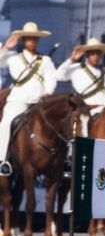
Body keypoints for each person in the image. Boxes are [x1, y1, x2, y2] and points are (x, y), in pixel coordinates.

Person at [0, 22, 60, 176]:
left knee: (59, 124)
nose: (32, 41)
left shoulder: (45, 60)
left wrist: (48, 92)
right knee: (6, 123)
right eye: (28, 38)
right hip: (18, 99)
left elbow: (51, 78)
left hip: (38, 102)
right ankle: (2, 161)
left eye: (34, 38)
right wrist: (6, 47)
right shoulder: (12, 57)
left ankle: (62, 161)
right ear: (23, 40)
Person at [56, 38, 105, 116]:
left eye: (98, 54)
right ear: (87, 55)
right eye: (93, 54)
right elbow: (58, 76)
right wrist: (71, 60)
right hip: (80, 111)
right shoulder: (76, 68)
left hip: (99, 112)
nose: (96, 56)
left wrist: (104, 110)